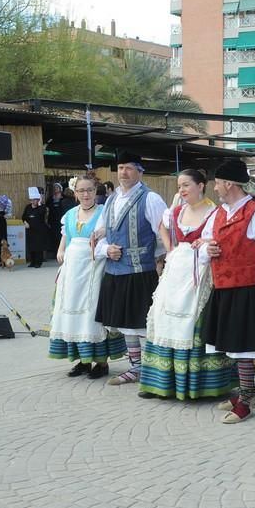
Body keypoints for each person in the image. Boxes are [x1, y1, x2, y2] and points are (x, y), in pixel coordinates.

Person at [198, 159, 255, 424]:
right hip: (224, 286)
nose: (215, 188)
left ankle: (246, 397)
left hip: (248, 286)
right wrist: (206, 250)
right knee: (233, 342)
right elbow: (202, 242)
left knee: (244, 345)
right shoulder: (219, 213)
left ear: (229, 184)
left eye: (218, 183)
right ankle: (248, 393)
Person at [138, 169, 235, 400]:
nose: (180, 190)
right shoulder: (177, 210)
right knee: (164, 319)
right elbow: (161, 225)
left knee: (192, 322)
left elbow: (219, 239)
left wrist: (207, 247)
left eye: (186, 185)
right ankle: (161, 383)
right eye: (179, 186)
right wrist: (170, 248)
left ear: (201, 185)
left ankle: (197, 385)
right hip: (175, 270)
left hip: (199, 272)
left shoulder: (215, 212)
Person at [93, 151, 168, 386]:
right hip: (115, 271)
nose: (123, 172)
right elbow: (98, 234)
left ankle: (151, 370)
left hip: (140, 272)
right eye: (120, 167)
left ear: (140, 171)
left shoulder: (151, 199)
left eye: (129, 168)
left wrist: (160, 260)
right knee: (126, 325)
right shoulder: (111, 200)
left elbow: (164, 234)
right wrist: (107, 250)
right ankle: (135, 368)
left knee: (142, 323)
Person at [48, 176, 126, 378]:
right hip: (72, 270)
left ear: (96, 191)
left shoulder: (104, 213)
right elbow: (66, 237)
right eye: (81, 191)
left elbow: (110, 236)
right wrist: (60, 250)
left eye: (89, 190)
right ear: (75, 193)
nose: (86, 194)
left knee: (92, 314)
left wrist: (104, 232)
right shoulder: (70, 214)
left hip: (94, 268)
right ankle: (83, 361)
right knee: (72, 313)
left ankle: (101, 363)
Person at [22, 187, 51, 268]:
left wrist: (40, 204)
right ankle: (32, 262)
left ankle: (38, 262)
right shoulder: (28, 207)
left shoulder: (42, 207)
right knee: (31, 247)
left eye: (35, 199)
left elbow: (42, 213)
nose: (33, 201)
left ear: (38, 199)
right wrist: (25, 222)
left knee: (38, 247)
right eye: (32, 200)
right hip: (30, 230)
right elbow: (23, 217)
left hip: (40, 230)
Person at [47, 183, 76, 257]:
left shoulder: (64, 199)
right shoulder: (50, 198)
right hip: (53, 219)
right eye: (54, 188)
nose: (55, 189)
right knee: (54, 236)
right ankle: (55, 252)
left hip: (61, 218)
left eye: (57, 188)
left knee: (62, 235)